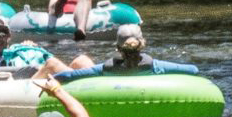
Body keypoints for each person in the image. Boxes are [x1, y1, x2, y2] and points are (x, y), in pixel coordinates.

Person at [0, 17, 97, 82]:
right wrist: (33, 68)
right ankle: (89, 85)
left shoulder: (22, 52)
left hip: (40, 78)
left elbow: (47, 61)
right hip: (20, 91)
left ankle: (103, 86)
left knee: (82, 60)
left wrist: (32, 51)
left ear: (9, 36)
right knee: (51, 65)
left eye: (2, 33)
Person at [52, 24, 198, 82]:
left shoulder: (105, 69)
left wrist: (53, 79)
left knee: (81, 62)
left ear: (118, 47)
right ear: (142, 44)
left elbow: (69, 75)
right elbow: (193, 70)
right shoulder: (156, 67)